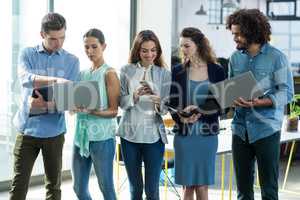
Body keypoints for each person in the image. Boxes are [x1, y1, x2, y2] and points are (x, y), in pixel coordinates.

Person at [10, 13, 80, 200]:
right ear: (42, 34)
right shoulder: (27, 54)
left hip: (55, 134)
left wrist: (45, 105)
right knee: (18, 187)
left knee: (54, 188)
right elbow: (25, 79)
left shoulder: (72, 61)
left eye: (62, 37)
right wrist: (56, 80)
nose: (59, 43)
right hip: (27, 131)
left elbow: (70, 100)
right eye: (53, 39)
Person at [226, 9, 294, 200]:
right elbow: (231, 89)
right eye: (233, 34)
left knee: (269, 191)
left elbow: (286, 93)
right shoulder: (235, 58)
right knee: (243, 192)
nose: (235, 38)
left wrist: (259, 102)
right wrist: (230, 99)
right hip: (240, 130)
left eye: (238, 34)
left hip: (266, 130)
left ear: (252, 31)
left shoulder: (276, 58)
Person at [169, 27, 225, 200]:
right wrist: (181, 116)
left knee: (202, 186)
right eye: (181, 46)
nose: (183, 50)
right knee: (188, 186)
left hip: (207, 134)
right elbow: (172, 104)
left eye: (187, 46)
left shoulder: (217, 70)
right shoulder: (178, 71)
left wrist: (200, 110)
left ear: (198, 45)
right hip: (185, 135)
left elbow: (222, 105)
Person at [118, 30, 171, 200]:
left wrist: (158, 100)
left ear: (158, 51)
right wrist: (133, 97)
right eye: (145, 50)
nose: (149, 54)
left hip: (153, 138)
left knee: (152, 189)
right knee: (135, 188)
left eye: (153, 50)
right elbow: (121, 103)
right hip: (129, 136)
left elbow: (165, 110)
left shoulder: (164, 74)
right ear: (137, 51)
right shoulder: (126, 70)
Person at [71, 28, 120, 200]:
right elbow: (76, 104)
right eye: (86, 47)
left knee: (105, 186)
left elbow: (114, 111)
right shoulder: (82, 74)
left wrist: (93, 111)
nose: (90, 51)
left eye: (94, 47)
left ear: (103, 46)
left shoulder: (110, 74)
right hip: (81, 137)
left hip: (102, 139)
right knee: (78, 187)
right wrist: (73, 107)